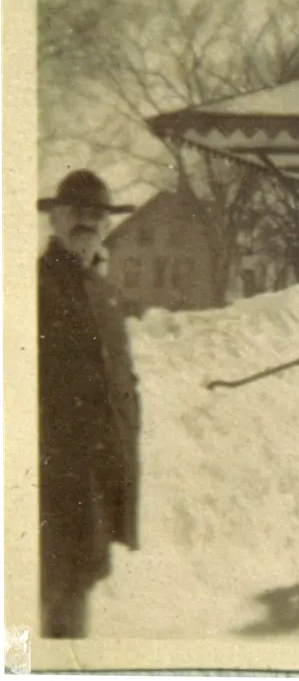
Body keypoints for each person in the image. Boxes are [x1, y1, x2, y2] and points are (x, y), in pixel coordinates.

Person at [37, 170, 141, 638]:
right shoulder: (35, 289)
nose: (88, 222)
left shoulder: (103, 291)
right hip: (48, 479)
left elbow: (119, 376)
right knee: (44, 593)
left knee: (76, 588)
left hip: (96, 474)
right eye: (77, 212)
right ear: (55, 218)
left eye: (97, 215)